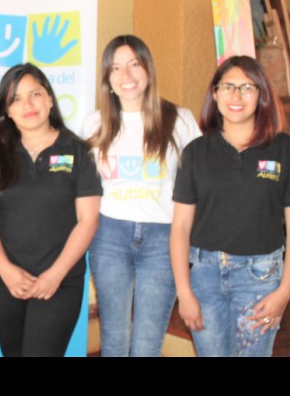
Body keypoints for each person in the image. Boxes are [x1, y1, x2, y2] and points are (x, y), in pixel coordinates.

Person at [170, 55, 290, 357]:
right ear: (215, 93)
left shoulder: (286, 150)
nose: (236, 96)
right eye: (228, 87)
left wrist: (285, 292)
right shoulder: (195, 153)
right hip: (205, 277)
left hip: (260, 278)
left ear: (261, 95)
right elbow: (181, 227)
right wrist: (184, 293)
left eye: (247, 88)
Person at [80, 35, 201, 357]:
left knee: (148, 341)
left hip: (164, 237)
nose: (127, 76)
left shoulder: (181, 120)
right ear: (107, 79)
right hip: (109, 235)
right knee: (115, 338)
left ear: (148, 69)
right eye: (116, 68)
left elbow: (202, 182)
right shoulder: (94, 124)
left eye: (135, 64)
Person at [0, 63, 102, 356]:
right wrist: (5, 270)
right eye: (16, 99)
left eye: (35, 94)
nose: (28, 104)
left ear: (49, 99)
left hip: (60, 280)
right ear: (6, 109)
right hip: (5, 280)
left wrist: (55, 275)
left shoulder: (77, 151)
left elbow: (88, 220)